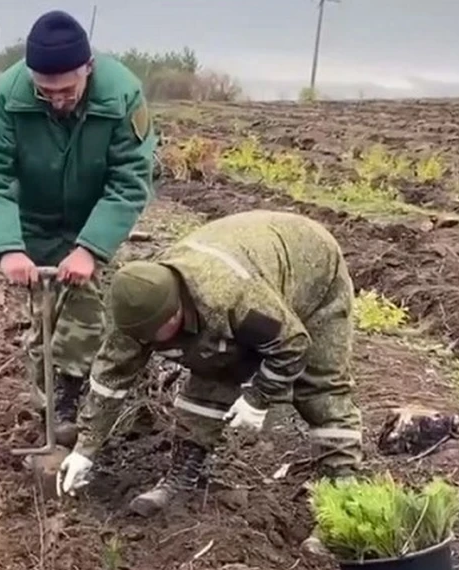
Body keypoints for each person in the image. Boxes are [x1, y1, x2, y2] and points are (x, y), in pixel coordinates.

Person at [56, 209, 364, 520]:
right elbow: (111, 377)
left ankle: (342, 497)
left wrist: (258, 397)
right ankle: (182, 478)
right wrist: (86, 448)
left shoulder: (233, 299)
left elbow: (292, 345)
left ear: (175, 313)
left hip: (311, 266)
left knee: (320, 387)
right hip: (247, 256)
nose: (151, 346)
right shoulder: (134, 311)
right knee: (212, 364)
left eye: (155, 337)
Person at [0, 10, 157, 439]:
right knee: (43, 323)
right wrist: (8, 247)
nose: (56, 100)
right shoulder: (8, 95)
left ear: (87, 68)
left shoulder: (122, 94)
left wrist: (90, 248)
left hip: (94, 218)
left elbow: (130, 180)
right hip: (34, 222)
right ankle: (54, 411)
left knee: (88, 311)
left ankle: (77, 403)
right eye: (45, 90)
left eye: (67, 90)